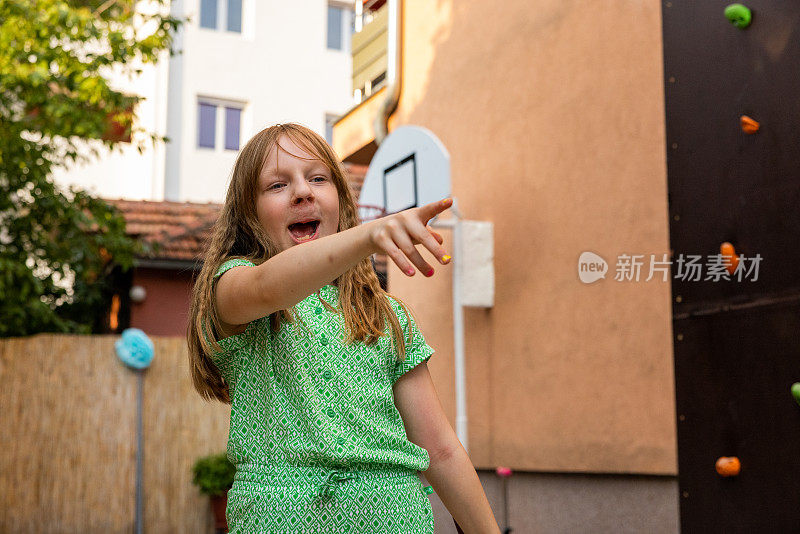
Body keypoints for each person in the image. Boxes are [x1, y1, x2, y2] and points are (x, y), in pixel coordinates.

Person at [187, 123, 500, 533]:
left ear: (341, 202)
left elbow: (441, 451)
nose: (303, 191)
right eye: (278, 185)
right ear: (250, 215)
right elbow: (267, 287)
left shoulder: (384, 316)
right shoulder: (234, 289)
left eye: (318, 178)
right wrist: (371, 234)